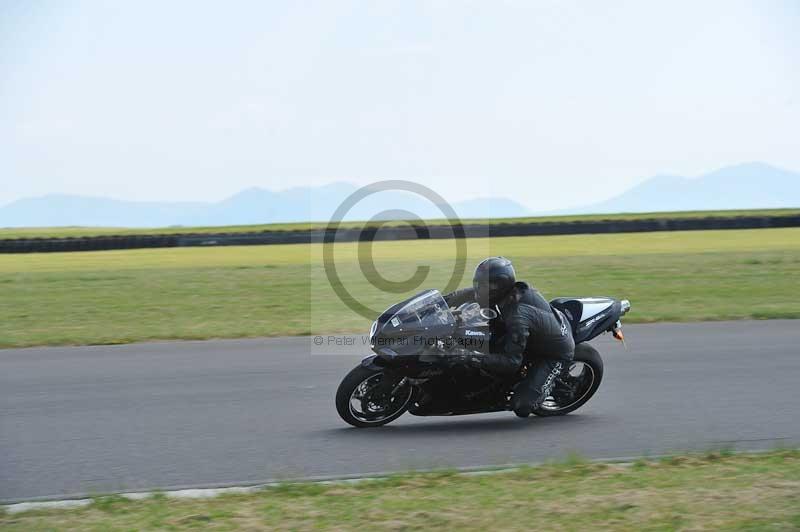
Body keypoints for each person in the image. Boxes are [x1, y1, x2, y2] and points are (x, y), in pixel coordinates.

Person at [443, 257, 575, 417]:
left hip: (554, 354)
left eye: (484, 285)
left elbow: (512, 362)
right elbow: (466, 294)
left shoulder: (517, 317)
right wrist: (439, 303)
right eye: (478, 283)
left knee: (522, 406)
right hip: (532, 333)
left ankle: (540, 388)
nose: (479, 288)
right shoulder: (503, 294)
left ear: (499, 286)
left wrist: (471, 357)